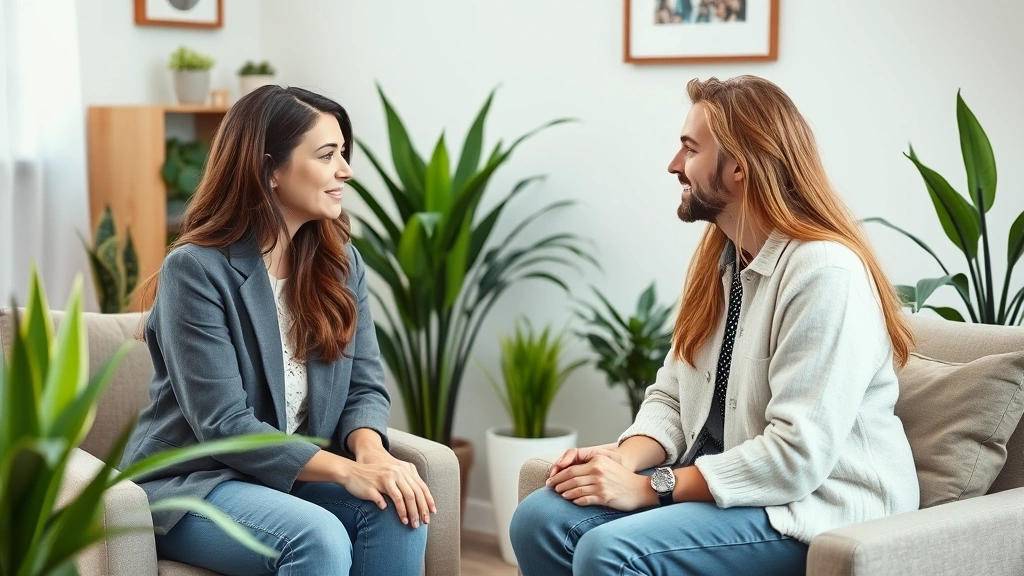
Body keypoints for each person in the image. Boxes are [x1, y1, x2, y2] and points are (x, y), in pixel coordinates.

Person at [509, 75, 920, 575]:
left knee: (610, 552)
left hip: (818, 509)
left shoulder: (824, 273)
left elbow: (795, 457)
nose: (673, 165)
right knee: (539, 519)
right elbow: (672, 396)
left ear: (739, 169)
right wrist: (625, 460)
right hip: (736, 487)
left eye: (689, 149)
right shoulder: (723, 263)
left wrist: (651, 486)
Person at [121, 85, 432, 576]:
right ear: (270, 170)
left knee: (397, 506)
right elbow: (225, 426)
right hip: (195, 484)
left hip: (289, 480)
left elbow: (365, 386)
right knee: (318, 536)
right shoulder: (196, 271)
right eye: (327, 155)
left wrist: (371, 454)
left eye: (343, 154)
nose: (345, 171)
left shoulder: (340, 262)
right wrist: (346, 471)